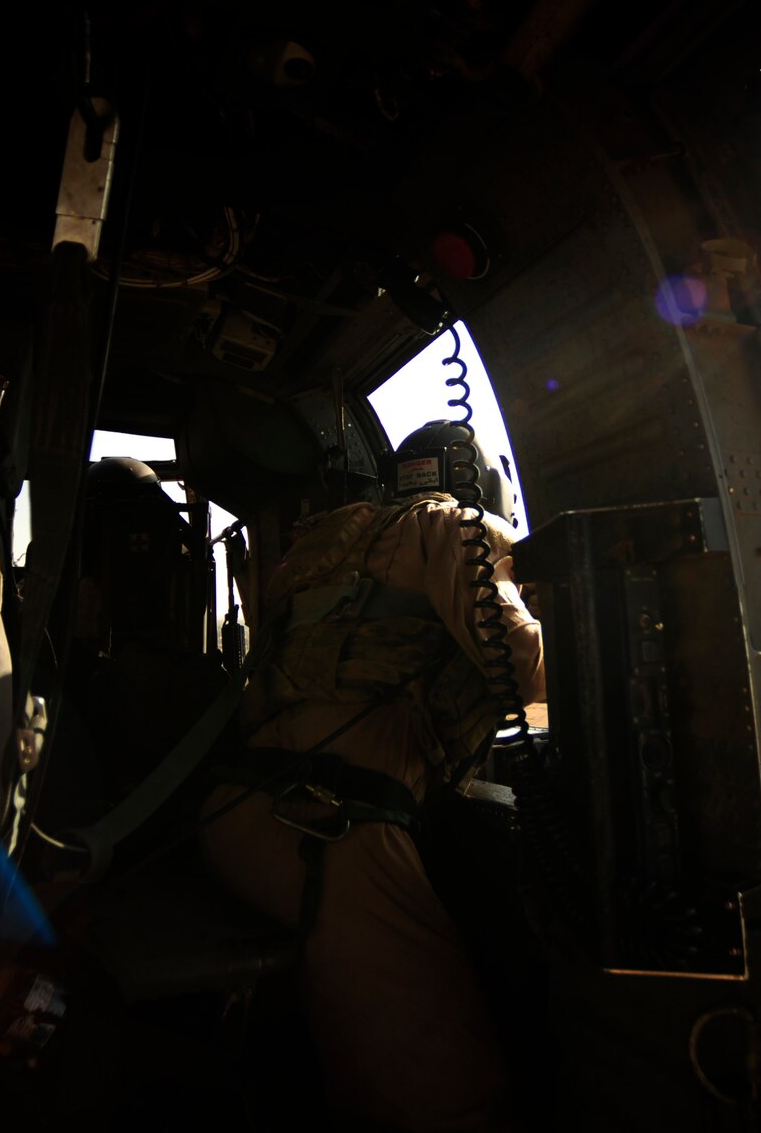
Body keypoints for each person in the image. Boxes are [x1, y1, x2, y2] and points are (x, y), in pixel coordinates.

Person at [200, 421, 544, 1133]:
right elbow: (526, 667)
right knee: (453, 1097)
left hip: (238, 817)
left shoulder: (322, 545)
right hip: (331, 832)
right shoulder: (454, 527)